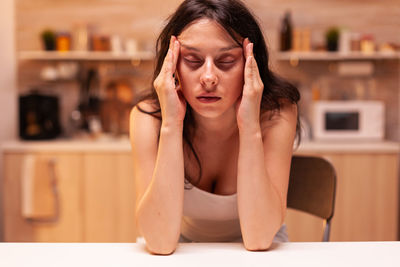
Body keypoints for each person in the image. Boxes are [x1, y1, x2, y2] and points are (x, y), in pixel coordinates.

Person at [129, 0, 300, 255]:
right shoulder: (148, 118)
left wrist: (250, 125)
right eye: (192, 60)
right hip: (181, 252)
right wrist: (171, 125)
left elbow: (259, 238)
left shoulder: (277, 115)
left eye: (227, 60)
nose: (209, 77)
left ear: (249, 65)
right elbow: (159, 242)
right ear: (172, 64)